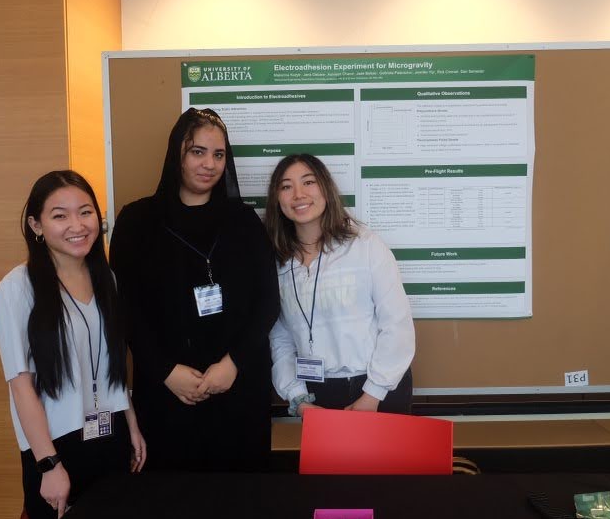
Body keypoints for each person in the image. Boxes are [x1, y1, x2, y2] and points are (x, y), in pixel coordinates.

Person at [109, 108, 279, 472]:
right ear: (177, 155)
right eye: (197, 152)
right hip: (167, 392)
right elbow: (125, 309)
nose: (209, 164)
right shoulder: (137, 222)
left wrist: (232, 364)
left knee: (241, 509)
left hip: (238, 389)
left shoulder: (244, 222)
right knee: (171, 511)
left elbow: (268, 303)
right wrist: (166, 372)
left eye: (219, 155)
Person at [0, 170, 146, 519]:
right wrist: (49, 465)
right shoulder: (17, 288)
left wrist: (132, 423)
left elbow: (111, 362)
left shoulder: (105, 278)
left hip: (109, 435)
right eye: (60, 215)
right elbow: (21, 386)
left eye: (86, 212)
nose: (77, 225)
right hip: (56, 446)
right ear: (36, 225)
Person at [265, 154, 415, 417]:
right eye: (286, 186)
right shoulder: (277, 263)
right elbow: (281, 338)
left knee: (387, 461)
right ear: (278, 200)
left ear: (326, 188)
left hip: (378, 388)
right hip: (316, 394)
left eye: (308, 182)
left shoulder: (365, 246)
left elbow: (397, 324)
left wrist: (373, 394)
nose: (298, 194)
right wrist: (298, 398)